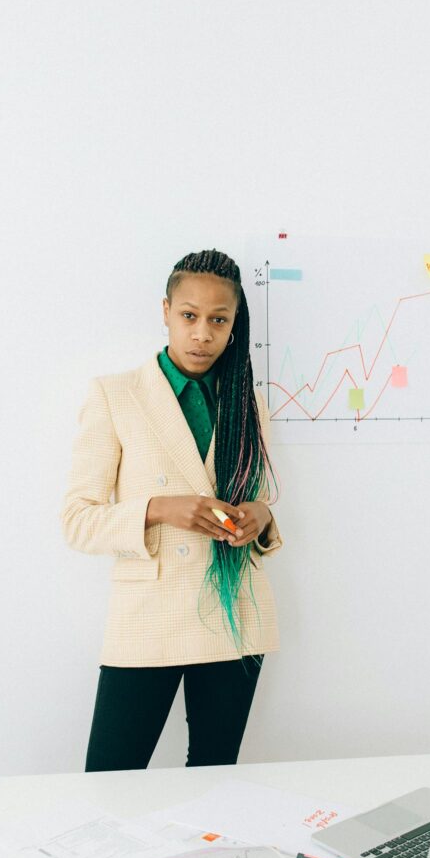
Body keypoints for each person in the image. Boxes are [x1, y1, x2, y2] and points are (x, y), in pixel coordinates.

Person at [61, 248, 284, 770]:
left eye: (218, 320)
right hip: (149, 621)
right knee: (110, 779)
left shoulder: (247, 405)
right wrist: (160, 508)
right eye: (189, 316)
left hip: (235, 619)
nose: (202, 333)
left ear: (234, 325)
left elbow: (264, 499)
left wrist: (262, 517)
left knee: (213, 781)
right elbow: (77, 520)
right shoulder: (116, 395)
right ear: (166, 311)